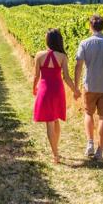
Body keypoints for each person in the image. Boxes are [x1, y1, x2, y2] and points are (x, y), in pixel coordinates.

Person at [74, 14, 103, 161]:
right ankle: (100, 151)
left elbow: (78, 65)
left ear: (90, 26)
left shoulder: (85, 43)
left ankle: (90, 144)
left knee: (88, 114)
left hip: (90, 85)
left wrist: (76, 85)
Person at [33, 28, 79, 163]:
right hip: (58, 90)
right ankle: (56, 148)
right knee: (56, 119)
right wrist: (75, 90)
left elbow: (36, 76)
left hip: (44, 89)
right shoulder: (62, 56)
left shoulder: (39, 55)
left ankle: (55, 154)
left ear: (47, 40)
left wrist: (34, 88)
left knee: (49, 122)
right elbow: (67, 77)